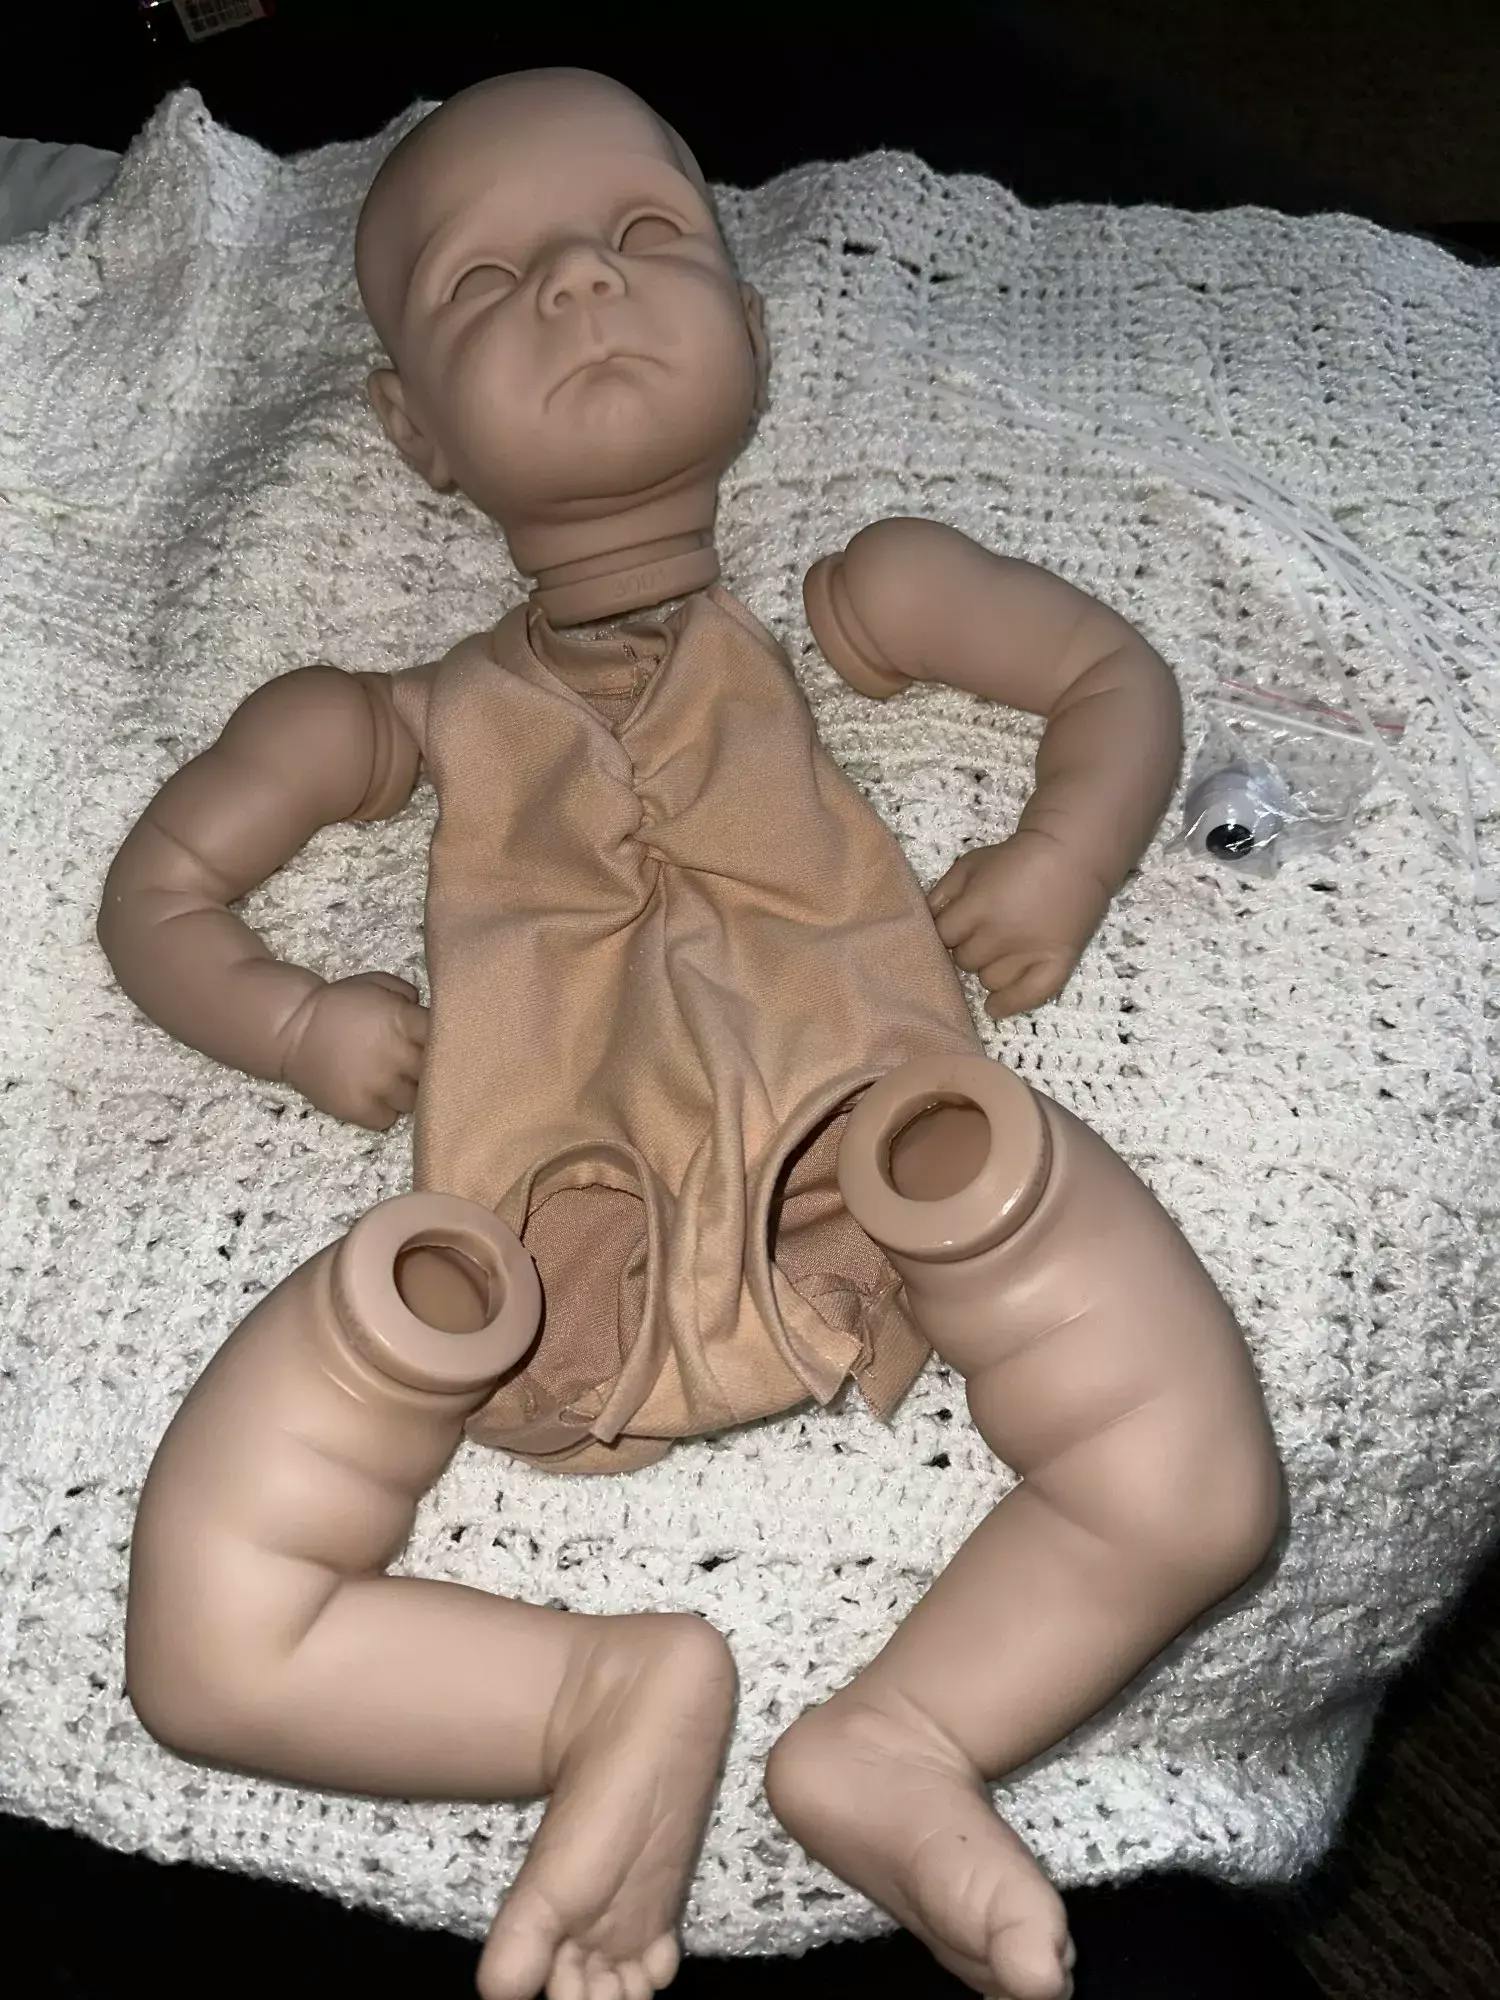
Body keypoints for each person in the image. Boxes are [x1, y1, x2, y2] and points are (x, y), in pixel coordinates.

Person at [99, 69, 1282, 2000]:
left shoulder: (869, 595)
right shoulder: (385, 713)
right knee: (199, 1648)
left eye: (644, 236)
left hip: (893, 1182)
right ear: (413, 431)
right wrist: (297, 1022)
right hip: (518, 1283)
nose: (580, 282)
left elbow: (1108, 678)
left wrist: (1057, 864)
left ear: (747, 324)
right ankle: (602, 1700)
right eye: (488, 283)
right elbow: (159, 895)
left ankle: (902, 1739)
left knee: (1200, 1481)